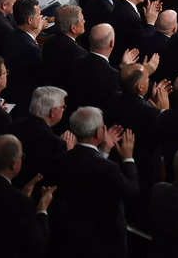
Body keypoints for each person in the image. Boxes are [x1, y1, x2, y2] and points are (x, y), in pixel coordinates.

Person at [52, 106, 138, 258]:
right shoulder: (109, 168)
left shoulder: (61, 160)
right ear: (99, 132)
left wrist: (104, 151)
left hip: (70, 241)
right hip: (104, 244)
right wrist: (128, 158)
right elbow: (131, 191)